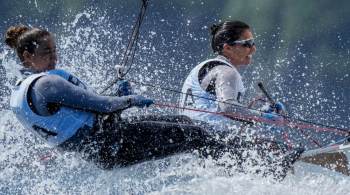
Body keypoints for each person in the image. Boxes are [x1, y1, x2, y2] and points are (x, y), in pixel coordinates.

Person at [5, 25, 301, 180]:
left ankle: (254, 161)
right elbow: (105, 105)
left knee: (186, 124)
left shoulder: (23, 92)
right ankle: (268, 164)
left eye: (55, 50)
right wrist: (129, 98)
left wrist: (121, 94)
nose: (54, 58)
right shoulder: (47, 84)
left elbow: (91, 109)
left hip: (107, 145)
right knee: (194, 133)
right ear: (27, 58)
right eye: (46, 52)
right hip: (112, 144)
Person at [179, 20, 285, 131]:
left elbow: (226, 114)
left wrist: (262, 112)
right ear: (228, 48)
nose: (254, 49)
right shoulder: (226, 71)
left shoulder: (211, 67)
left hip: (196, 134)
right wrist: (263, 117)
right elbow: (228, 108)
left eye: (253, 43)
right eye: (248, 43)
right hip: (204, 137)